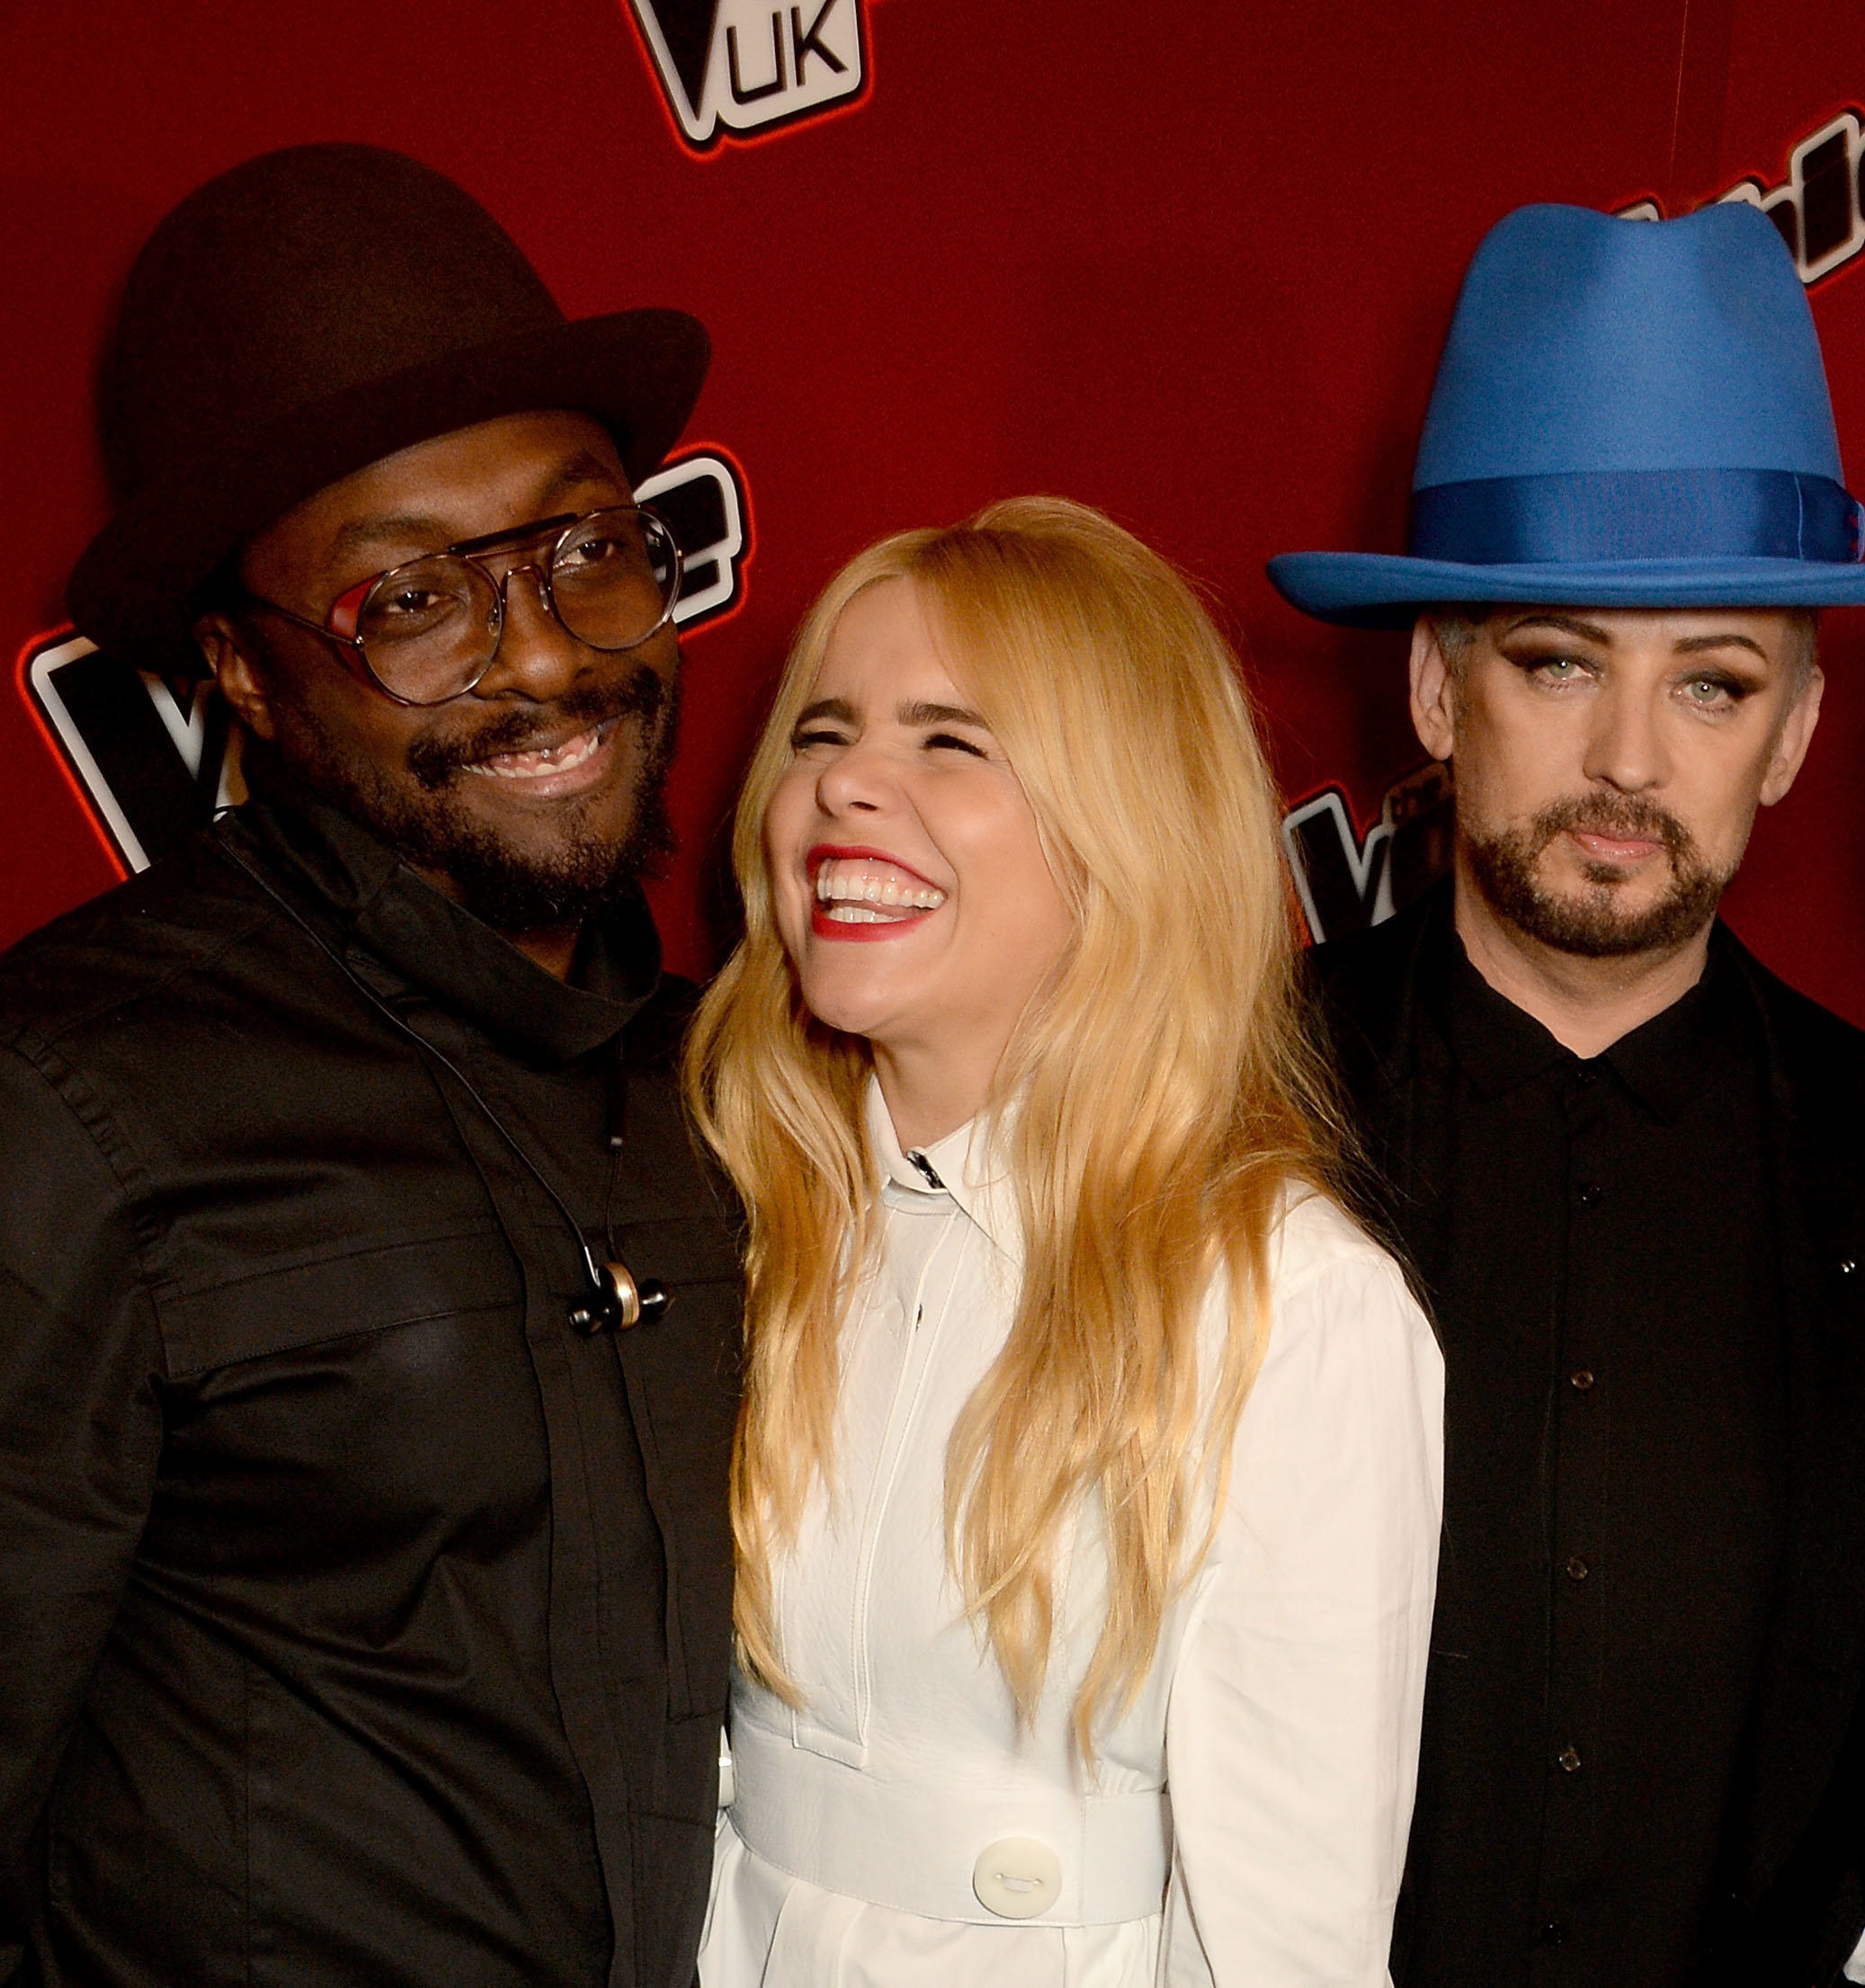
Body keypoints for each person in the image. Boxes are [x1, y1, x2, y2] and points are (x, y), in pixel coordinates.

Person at [0, 146, 744, 1986]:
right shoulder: (77, 1094)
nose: (550, 659)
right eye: (413, 600)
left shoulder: (743, 1085)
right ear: (246, 678)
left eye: (587, 549)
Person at [1265, 201, 1865, 1986]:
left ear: (1801, 729)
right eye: (1557, 660)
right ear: (1436, 685)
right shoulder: (1208, 1105)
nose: (1626, 757)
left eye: (1713, 682)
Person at [686, 498, 1444, 1985]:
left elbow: (1288, 1949)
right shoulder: (733, 1216)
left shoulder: (1295, 1310)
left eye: (949, 742)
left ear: (1127, 831)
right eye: (824, 733)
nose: (847, 789)